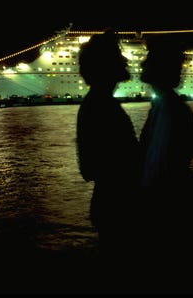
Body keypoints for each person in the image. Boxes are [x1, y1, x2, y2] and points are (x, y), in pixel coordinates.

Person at [138, 35, 193, 268]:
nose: (142, 64)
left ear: (159, 67)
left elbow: (160, 169)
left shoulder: (169, 109)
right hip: (169, 208)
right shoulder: (164, 106)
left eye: (149, 59)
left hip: (165, 215)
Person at [76, 29, 140, 266]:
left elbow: (87, 169)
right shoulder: (104, 108)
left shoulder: (92, 105)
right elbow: (122, 162)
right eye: (118, 57)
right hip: (119, 205)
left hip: (105, 202)